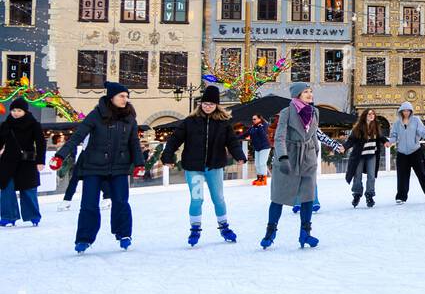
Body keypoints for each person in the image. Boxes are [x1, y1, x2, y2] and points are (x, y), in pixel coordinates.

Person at [49, 81, 147, 253]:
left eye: (127, 97)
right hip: (93, 167)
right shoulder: (95, 115)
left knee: (121, 202)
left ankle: (124, 234)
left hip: (119, 167)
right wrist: (60, 156)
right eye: (122, 96)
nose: (126, 99)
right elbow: (77, 136)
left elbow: (134, 142)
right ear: (112, 97)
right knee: (88, 204)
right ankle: (84, 239)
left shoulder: (129, 118)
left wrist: (139, 163)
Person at [160, 85, 245, 245]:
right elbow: (174, 140)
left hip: (214, 167)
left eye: (211, 104)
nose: (208, 107)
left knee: (218, 198)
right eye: (205, 103)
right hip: (194, 168)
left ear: (217, 105)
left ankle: (224, 227)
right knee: (197, 199)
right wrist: (167, 156)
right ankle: (195, 229)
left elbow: (232, 142)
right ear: (201, 104)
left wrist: (239, 155)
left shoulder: (223, 123)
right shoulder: (189, 122)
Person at [261, 82, 323, 249]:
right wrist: (282, 157)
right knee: (278, 197)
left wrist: (315, 152)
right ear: (297, 95)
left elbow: (313, 135)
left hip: (308, 158)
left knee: (308, 197)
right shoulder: (287, 112)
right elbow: (279, 137)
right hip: (289, 156)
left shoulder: (314, 112)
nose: (310, 94)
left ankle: (305, 233)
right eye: (305, 92)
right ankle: (270, 232)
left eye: (311, 91)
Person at [0, 96, 46, 228]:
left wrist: (40, 161)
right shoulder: (6, 124)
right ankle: (8, 217)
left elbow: (41, 143)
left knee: (28, 189)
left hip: (27, 161)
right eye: (13, 110)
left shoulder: (33, 124)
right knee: (6, 189)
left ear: (25, 111)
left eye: (19, 110)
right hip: (8, 161)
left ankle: (33, 216)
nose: (15, 113)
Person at [390, 101, 425, 204]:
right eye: (404, 110)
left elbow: (423, 131)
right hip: (402, 153)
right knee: (402, 176)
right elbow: (393, 135)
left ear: (411, 111)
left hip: (415, 151)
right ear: (401, 111)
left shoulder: (416, 120)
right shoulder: (397, 123)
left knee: (422, 174)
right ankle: (401, 197)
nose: (406, 112)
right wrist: (390, 142)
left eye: (408, 110)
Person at [344, 108, 387, 208]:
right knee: (357, 176)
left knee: (371, 176)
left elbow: (380, 137)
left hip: (371, 155)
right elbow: (351, 141)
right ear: (365, 116)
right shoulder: (358, 128)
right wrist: (344, 147)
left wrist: (385, 142)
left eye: (373, 114)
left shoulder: (376, 126)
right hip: (359, 156)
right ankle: (357, 194)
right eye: (369, 114)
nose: (371, 115)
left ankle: (369, 195)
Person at [241, 114, 273, 185]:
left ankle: (263, 179)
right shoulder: (253, 127)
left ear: (259, 119)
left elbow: (264, 135)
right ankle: (259, 178)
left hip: (265, 147)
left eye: (255, 119)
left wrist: (260, 127)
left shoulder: (264, 125)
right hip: (257, 147)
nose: (253, 120)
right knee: (257, 164)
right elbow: (246, 134)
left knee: (262, 163)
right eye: (252, 119)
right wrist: (234, 138)